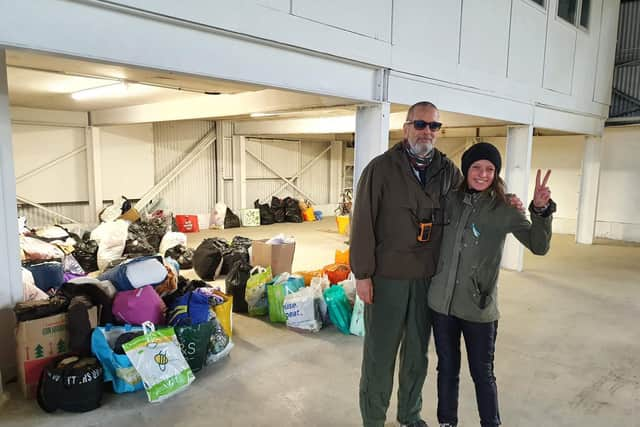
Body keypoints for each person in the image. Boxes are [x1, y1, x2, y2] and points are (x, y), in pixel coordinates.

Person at [427, 142, 555, 427]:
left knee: (482, 373)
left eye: (489, 169)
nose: (482, 174)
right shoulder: (451, 201)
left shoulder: (504, 209)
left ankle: (491, 423)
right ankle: (447, 422)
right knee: (446, 368)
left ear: (496, 174)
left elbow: (539, 245)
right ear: (466, 170)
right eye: (476, 167)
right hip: (441, 304)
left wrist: (540, 209)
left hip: (478, 308)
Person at [350, 101, 462, 427]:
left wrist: (504, 200)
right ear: (406, 128)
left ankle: (410, 416)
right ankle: (373, 419)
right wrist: (363, 274)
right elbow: (362, 224)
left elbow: (470, 206)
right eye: (420, 124)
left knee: (417, 355)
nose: (427, 131)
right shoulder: (381, 169)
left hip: (427, 277)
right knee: (379, 356)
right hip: (387, 278)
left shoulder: (447, 172)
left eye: (433, 126)